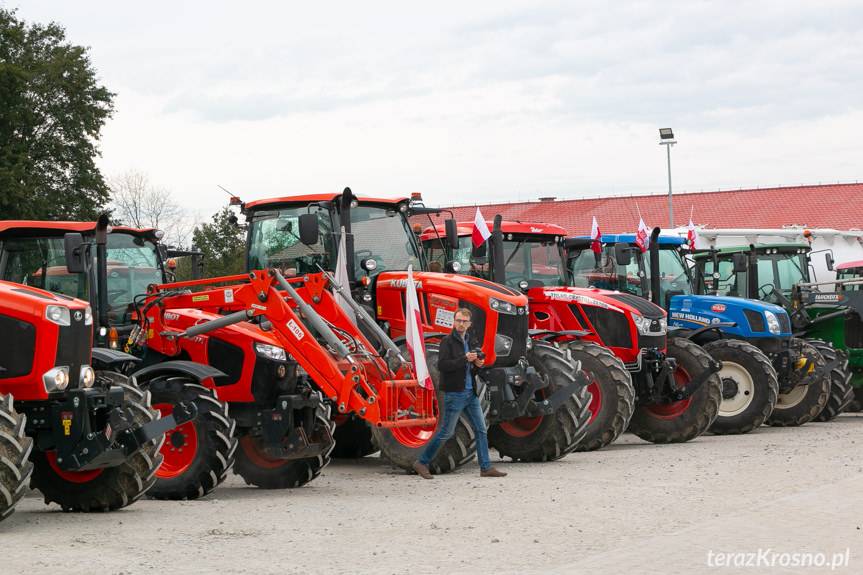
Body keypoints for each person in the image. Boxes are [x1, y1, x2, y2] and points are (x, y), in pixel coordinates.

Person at [412, 308, 507, 479]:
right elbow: (442, 366)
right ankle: (422, 462)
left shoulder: (470, 341)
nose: (460, 324)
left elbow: (473, 364)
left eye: (464, 321)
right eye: (458, 320)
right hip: (455, 394)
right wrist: (465, 359)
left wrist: (478, 362)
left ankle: (485, 467)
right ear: (453, 322)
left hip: (471, 393)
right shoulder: (447, 342)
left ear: (469, 324)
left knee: (481, 429)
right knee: (446, 433)